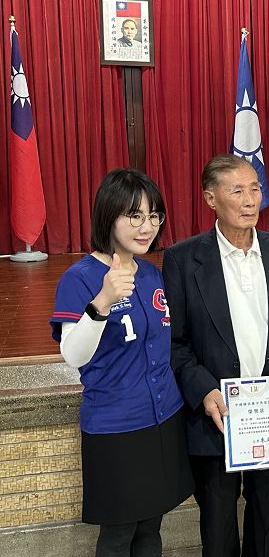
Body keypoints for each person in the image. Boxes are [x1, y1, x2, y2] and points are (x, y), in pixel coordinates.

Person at [163, 154, 269, 557]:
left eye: (255, 189)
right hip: (217, 417)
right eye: (237, 191)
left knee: (267, 526)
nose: (250, 200)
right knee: (217, 529)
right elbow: (175, 343)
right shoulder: (183, 259)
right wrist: (204, 391)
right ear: (210, 198)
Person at [50, 169, 193, 557]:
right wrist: (103, 302)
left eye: (154, 216)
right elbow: (73, 355)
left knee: (151, 527)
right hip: (116, 427)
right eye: (134, 216)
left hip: (163, 418)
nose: (147, 227)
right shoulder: (80, 278)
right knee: (118, 535)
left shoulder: (150, 273)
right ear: (108, 216)